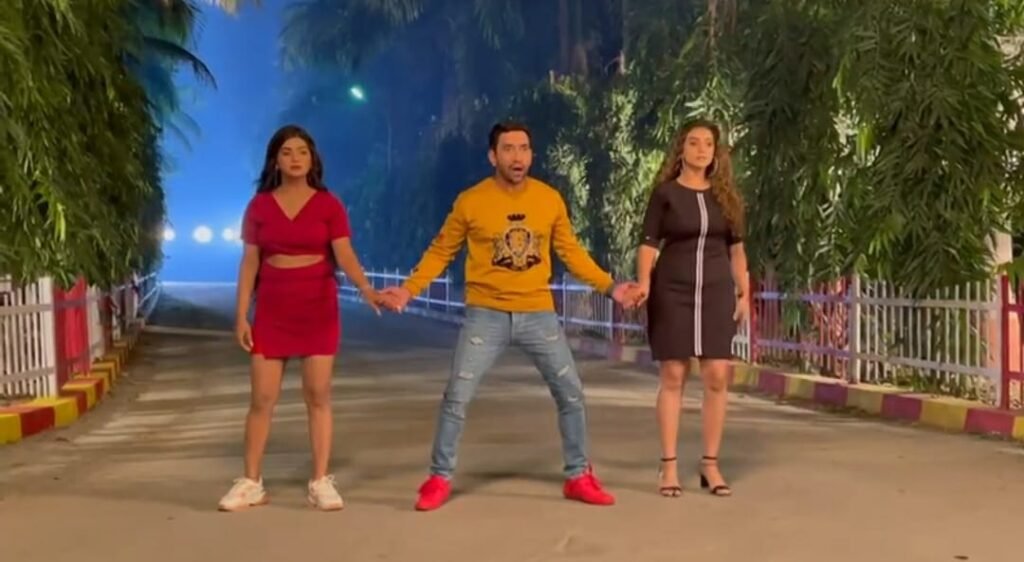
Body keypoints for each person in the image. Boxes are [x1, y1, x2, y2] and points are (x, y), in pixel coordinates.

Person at [379, 121, 636, 511]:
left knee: (571, 392)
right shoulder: (471, 201)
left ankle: (578, 476)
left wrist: (611, 287)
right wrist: (409, 289)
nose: (518, 157)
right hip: (486, 314)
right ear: (493, 156)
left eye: (524, 148)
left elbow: (571, 252)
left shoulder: (549, 199)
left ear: (532, 155)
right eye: (509, 149)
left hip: (538, 313)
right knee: (457, 395)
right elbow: (441, 250)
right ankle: (439, 477)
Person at [218, 124, 383, 512]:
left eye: (302, 152)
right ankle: (251, 482)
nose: (295, 158)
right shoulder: (259, 207)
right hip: (273, 309)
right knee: (262, 398)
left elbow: (344, 254)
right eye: (287, 152)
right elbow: (250, 262)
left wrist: (367, 289)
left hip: (318, 307)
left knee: (318, 395)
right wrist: (241, 315)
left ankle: (320, 480)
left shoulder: (329, 205)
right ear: (275, 160)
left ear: (313, 160)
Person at [630, 119, 749, 498]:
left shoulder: (726, 198)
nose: (701, 150)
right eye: (694, 142)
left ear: (716, 152)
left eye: (708, 144)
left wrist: (745, 292)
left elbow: (737, 250)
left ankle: (710, 464)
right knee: (673, 374)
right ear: (681, 148)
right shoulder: (665, 194)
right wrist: (644, 283)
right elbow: (648, 244)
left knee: (717, 375)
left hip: (716, 292)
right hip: (672, 290)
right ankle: (668, 467)